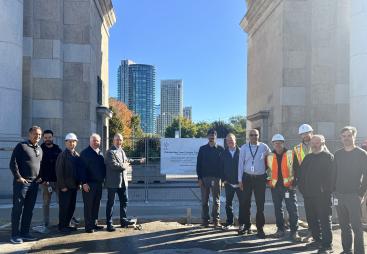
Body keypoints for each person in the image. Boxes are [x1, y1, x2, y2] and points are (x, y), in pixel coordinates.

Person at [333, 126, 367, 254]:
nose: (346, 138)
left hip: (354, 196)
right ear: (341, 138)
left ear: (354, 137)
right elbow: (333, 174)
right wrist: (334, 191)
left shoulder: (361, 154)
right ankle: (347, 250)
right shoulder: (338, 154)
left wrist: (360, 194)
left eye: (349, 135)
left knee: (357, 227)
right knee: (344, 226)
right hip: (339, 195)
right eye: (344, 136)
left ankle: (359, 252)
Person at [298, 135, 334, 254]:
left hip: (323, 196)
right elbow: (301, 174)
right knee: (312, 220)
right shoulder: (308, 157)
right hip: (308, 196)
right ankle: (317, 240)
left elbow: (332, 177)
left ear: (323, 143)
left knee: (324, 220)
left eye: (317, 143)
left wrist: (325, 190)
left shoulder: (329, 157)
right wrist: (302, 189)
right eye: (313, 143)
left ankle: (327, 245)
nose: (314, 145)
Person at [9, 126, 43, 244]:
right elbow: (13, 163)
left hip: (34, 185)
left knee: (29, 210)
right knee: (17, 209)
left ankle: (25, 233)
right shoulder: (21, 146)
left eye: (39, 134)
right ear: (29, 134)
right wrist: (19, 177)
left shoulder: (39, 148)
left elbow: (39, 165)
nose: (37, 136)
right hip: (22, 184)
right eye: (35, 134)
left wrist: (40, 178)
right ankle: (14, 235)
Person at [105, 133, 145, 232]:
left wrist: (138, 161)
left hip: (123, 182)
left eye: (120, 140)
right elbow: (115, 166)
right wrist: (125, 165)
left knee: (124, 202)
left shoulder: (121, 151)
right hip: (113, 183)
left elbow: (128, 160)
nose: (119, 141)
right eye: (117, 140)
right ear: (113, 141)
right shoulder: (110, 152)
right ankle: (109, 224)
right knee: (111, 203)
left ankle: (123, 221)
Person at [267, 134, 300, 241]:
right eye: (275, 143)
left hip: (288, 188)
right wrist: (268, 181)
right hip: (275, 187)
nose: (277, 145)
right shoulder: (270, 156)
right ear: (273, 144)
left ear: (283, 143)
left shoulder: (291, 154)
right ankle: (280, 229)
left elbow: (297, 170)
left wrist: (293, 184)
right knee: (278, 209)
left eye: (280, 142)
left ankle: (294, 231)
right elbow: (267, 171)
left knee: (292, 209)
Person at [238, 129, 271, 238]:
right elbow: (240, 165)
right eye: (251, 135)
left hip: (260, 179)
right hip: (247, 178)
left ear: (259, 136)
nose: (254, 137)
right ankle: (246, 225)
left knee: (260, 204)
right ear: (249, 136)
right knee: (245, 203)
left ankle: (260, 228)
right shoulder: (244, 148)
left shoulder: (264, 147)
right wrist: (240, 180)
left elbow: (271, 159)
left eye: (256, 135)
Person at [196, 129, 224, 228]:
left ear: (216, 137)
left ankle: (216, 221)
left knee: (216, 201)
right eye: (210, 136)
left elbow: (223, 166)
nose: (212, 138)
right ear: (207, 137)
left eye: (213, 136)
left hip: (216, 179)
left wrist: (222, 180)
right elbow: (198, 164)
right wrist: (199, 178)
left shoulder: (221, 149)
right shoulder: (202, 149)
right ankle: (205, 221)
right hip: (204, 178)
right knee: (204, 201)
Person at [79, 133, 106, 233]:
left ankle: (94, 224)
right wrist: (84, 183)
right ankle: (88, 226)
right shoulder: (85, 153)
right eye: (94, 140)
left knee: (96, 205)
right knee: (88, 205)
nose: (96, 142)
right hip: (88, 184)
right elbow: (81, 170)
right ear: (90, 142)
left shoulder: (100, 153)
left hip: (99, 184)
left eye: (97, 141)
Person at [55, 133, 80, 234]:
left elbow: (79, 171)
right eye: (69, 141)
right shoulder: (62, 155)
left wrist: (79, 184)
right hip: (65, 187)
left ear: (76, 143)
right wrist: (62, 186)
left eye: (73, 141)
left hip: (74, 187)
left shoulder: (77, 155)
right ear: (66, 143)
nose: (71, 143)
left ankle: (68, 224)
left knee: (71, 207)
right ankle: (62, 226)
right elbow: (59, 172)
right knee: (64, 207)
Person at [38, 130, 62, 228]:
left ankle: (63, 221)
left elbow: (61, 164)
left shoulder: (58, 149)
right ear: (43, 138)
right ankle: (46, 222)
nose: (48, 139)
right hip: (45, 182)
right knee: (46, 203)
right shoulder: (40, 149)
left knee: (61, 202)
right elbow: (37, 165)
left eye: (49, 137)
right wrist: (41, 179)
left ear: (53, 137)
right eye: (46, 138)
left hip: (57, 181)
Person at [221, 133, 244, 230]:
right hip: (229, 183)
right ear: (226, 142)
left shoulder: (242, 152)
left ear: (235, 140)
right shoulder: (223, 153)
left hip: (240, 183)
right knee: (228, 204)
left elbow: (245, 166)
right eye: (228, 140)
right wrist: (224, 180)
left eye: (231, 140)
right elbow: (220, 168)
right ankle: (229, 222)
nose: (230, 141)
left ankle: (242, 223)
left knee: (243, 204)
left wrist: (243, 180)